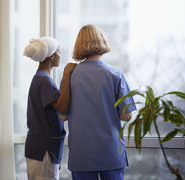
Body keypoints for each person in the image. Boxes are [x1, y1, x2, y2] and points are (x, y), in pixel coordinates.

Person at [67, 24, 136, 180]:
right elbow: (127, 115)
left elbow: (62, 115)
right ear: (102, 41)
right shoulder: (115, 74)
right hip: (110, 152)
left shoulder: (70, 76)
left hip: (81, 154)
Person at [23, 36, 76, 180]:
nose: (60, 56)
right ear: (51, 56)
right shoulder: (45, 81)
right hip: (43, 151)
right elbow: (61, 108)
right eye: (58, 52)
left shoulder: (40, 78)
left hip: (39, 149)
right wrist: (66, 75)